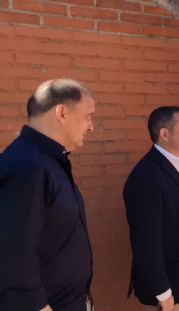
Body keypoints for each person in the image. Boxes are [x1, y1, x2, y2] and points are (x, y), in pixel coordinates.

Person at [0, 79, 95, 311]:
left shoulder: (50, 161)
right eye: (88, 116)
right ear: (61, 112)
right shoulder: (27, 166)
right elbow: (12, 253)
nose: (91, 126)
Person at [123, 106, 179, 311]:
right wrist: (162, 292)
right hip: (168, 285)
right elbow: (145, 242)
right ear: (164, 134)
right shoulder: (147, 177)